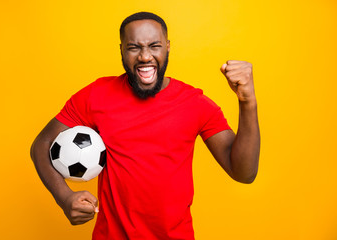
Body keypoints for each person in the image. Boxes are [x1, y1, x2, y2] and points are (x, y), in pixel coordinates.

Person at [30, 11, 260, 240]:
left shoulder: (195, 104)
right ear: (121, 49)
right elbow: (42, 144)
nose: (145, 56)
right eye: (134, 47)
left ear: (167, 47)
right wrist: (64, 197)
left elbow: (244, 173)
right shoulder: (96, 95)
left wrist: (247, 102)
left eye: (154, 46)